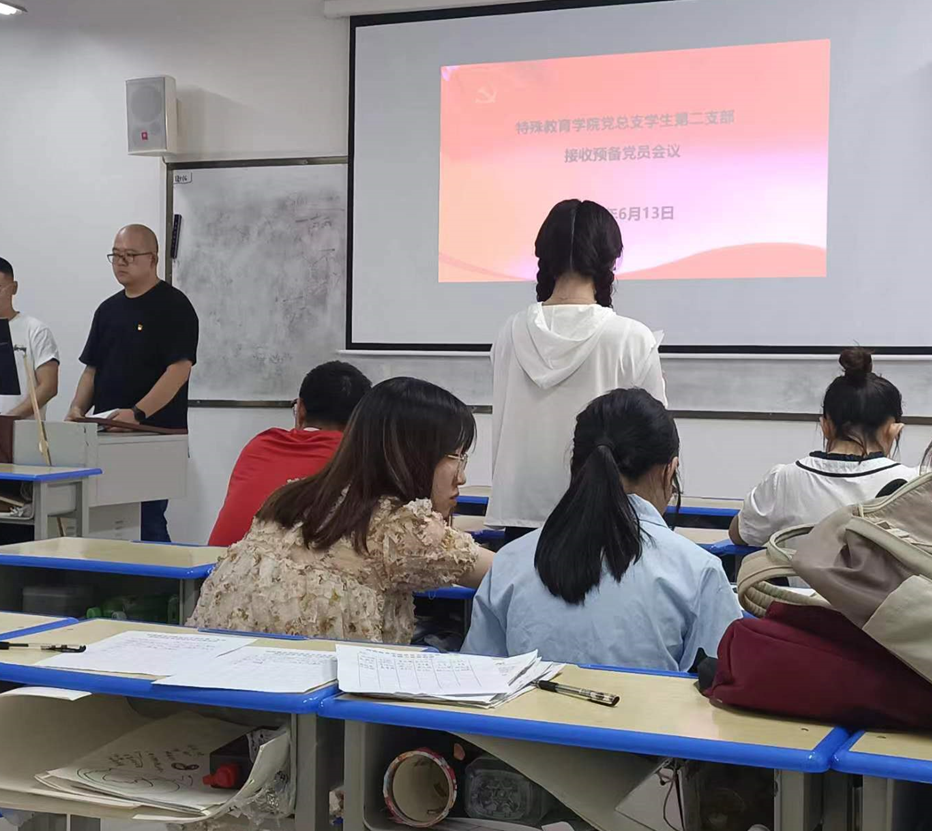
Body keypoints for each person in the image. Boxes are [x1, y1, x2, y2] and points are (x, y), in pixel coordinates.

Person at [187, 377, 494, 644]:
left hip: (214, 671)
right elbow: (509, 573)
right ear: (414, 455)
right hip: (303, 688)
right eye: (456, 457)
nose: (462, 476)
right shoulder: (400, 527)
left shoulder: (292, 497)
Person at [463, 388, 741, 671]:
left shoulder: (511, 561)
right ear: (669, 472)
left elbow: (477, 676)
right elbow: (726, 682)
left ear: (576, 466)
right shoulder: (698, 572)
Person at [487, 200, 666, 541]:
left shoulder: (509, 332)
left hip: (521, 517)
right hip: (603, 519)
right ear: (610, 258)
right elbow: (656, 441)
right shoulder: (631, 338)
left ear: (544, 254)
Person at [66, 224, 199, 542]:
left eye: (130, 255)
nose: (121, 262)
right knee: (106, 523)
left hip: (154, 435)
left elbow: (179, 371)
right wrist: (76, 409)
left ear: (153, 259)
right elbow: (92, 370)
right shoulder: (107, 310)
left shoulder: (174, 306)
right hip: (107, 435)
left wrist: (137, 414)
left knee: (147, 521)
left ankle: (165, 575)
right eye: (116, 255)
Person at [730, 347, 917, 547]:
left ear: (825, 427)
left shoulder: (784, 479)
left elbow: (740, 533)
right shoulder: (916, 484)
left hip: (806, 569)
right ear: (894, 431)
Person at [207, 361, 372, 547]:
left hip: (215, 563)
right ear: (362, 420)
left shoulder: (260, 444)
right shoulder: (357, 458)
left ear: (300, 409)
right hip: (279, 564)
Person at [0, 257, 60, 417]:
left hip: (21, 427)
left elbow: (49, 387)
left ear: (14, 288)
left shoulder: (35, 330)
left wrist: (8, 419)